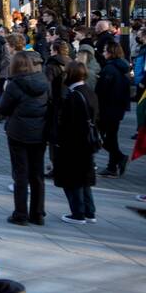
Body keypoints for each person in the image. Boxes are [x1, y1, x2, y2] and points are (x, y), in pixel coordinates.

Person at [0, 51, 51, 225]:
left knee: (21, 174)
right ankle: (38, 213)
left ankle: (20, 213)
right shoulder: (44, 82)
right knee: (37, 174)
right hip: (39, 132)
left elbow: (4, 108)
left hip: (18, 132)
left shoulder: (15, 85)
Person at [54, 61, 99, 224]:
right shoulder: (89, 92)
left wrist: (60, 141)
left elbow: (69, 124)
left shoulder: (74, 96)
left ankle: (78, 212)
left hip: (74, 144)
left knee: (73, 179)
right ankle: (89, 211)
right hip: (87, 142)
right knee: (84, 178)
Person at [96, 40, 131, 178]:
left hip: (107, 109)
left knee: (102, 137)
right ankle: (112, 166)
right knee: (111, 137)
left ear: (110, 53)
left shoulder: (109, 69)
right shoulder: (122, 68)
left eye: (105, 51)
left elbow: (101, 91)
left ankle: (119, 157)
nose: (104, 53)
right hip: (117, 108)